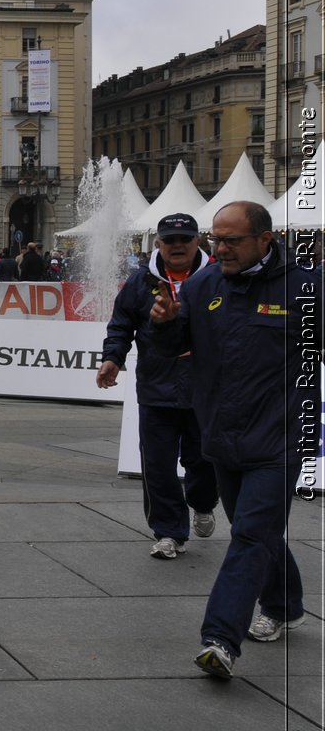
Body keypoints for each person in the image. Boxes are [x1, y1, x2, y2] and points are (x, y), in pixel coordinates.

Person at [149, 201, 319, 679]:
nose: (217, 249)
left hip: (281, 436)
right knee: (257, 529)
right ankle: (286, 604)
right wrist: (162, 326)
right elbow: (173, 348)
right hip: (222, 434)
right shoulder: (204, 286)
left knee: (248, 533)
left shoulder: (305, 288)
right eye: (215, 239)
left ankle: (220, 638)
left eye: (231, 241)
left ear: (266, 239)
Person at [97, 213, 218, 559]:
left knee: (205, 460)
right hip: (155, 387)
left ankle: (203, 502)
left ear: (198, 241)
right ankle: (169, 532)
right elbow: (120, 325)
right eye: (170, 240)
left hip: (205, 389)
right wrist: (112, 359)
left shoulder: (217, 278)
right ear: (158, 244)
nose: (177, 246)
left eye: (184, 239)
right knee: (158, 464)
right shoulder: (140, 282)